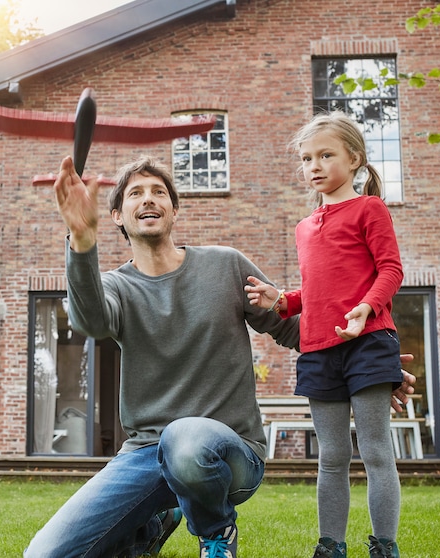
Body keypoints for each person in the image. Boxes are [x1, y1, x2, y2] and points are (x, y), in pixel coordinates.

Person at [27, 155, 413, 558]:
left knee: (185, 438)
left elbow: (298, 329)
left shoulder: (226, 265)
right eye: (136, 194)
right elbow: (89, 320)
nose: (149, 200)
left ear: (175, 210)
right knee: (46, 554)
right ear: (117, 217)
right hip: (144, 453)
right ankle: (153, 526)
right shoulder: (117, 288)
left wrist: (370, 361)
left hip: (230, 453)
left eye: (159, 192)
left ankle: (215, 532)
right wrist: (81, 240)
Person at [245, 111, 406, 558]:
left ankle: (384, 546)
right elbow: (317, 289)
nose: (313, 165)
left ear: (354, 158)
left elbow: (391, 269)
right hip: (318, 349)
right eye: (306, 158)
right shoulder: (304, 226)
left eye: (325, 155)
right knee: (331, 457)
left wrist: (366, 308)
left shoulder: (369, 209)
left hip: (369, 342)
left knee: (375, 451)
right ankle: (331, 546)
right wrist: (283, 300)